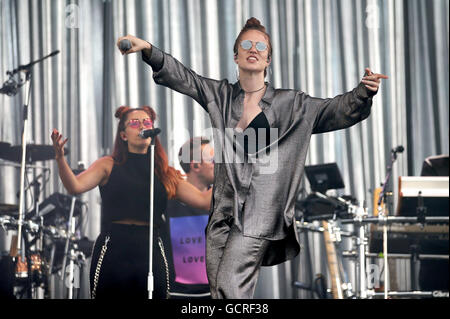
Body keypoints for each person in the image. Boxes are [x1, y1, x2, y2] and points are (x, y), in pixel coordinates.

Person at [117, 17, 388, 299]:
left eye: (260, 45)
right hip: (222, 215)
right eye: (246, 44)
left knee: (230, 288)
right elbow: (184, 77)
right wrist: (148, 49)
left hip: (260, 215)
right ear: (236, 54)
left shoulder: (292, 104)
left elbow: (335, 110)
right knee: (222, 293)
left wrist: (363, 93)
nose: (253, 48)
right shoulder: (220, 96)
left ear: (268, 59)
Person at [50, 106, 211, 299]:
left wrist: (229, 175)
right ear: (124, 135)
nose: (142, 126)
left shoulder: (163, 172)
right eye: (135, 123)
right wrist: (60, 159)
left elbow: (203, 201)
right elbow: (75, 186)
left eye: (147, 122)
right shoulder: (108, 165)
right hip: (115, 247)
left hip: (150, 249)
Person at [160, 137, 214, 298]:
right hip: (177, 293)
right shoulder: (168, 200)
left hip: (215, 292)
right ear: (196, 165)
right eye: (212, 160)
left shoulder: (225, 199)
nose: (218, 165)